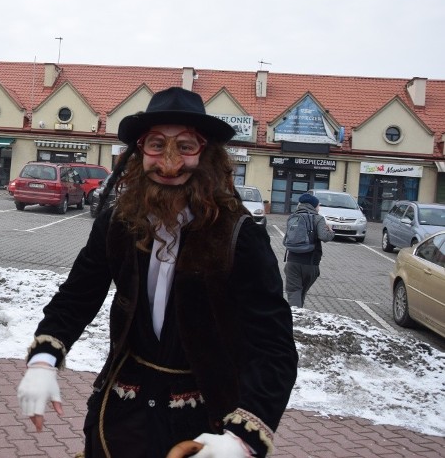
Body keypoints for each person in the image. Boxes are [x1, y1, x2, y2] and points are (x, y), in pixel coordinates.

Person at [17, 87, 298, 458]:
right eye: (156, 145)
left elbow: (273, 347)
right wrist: (43, 360)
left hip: (207, 424)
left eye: (185, 147)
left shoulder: (238, 236)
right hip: (120, 415)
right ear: (139, 153)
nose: (169, 164)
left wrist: (242, 438)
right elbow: (78, 295)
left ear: (207, 154)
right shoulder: (119, 222)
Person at [283, 193, 334, 308]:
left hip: (292, 262)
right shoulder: (318, 218)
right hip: (311, 264)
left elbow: (285, 241)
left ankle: (295, 317)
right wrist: (331, 231)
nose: (319, 208)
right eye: (318, 205)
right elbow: (324, 237)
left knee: (294, 292)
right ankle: (297, 317)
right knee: (300, 293)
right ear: (314, 206)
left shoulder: (292, 217)